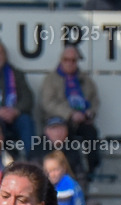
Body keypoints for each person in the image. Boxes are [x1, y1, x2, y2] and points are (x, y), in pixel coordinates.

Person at [39, 46, 101, 180]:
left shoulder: (85, 80)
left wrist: (90, 113)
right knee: (65, 134)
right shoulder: (51, 79)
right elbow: (47, 103)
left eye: (73, 60)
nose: (70, 63)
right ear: (61, 60)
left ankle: (91, 169)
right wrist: (69, 114)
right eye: (66, 60)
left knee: (91, 133)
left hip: (82, 120)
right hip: (60, 119)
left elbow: (94, 100)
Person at [31, 116, 86, 183]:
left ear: (66, 131)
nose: (58, 132)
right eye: (54, 128)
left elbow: (80, 175)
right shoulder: (37, 149)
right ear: (46, 131)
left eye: (61, 128)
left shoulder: (72, 148)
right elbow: (33, 176)